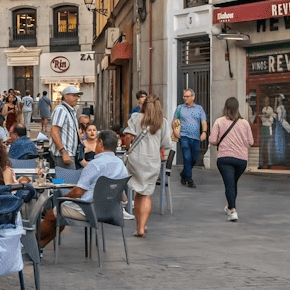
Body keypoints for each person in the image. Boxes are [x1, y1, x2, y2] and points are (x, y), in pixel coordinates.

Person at [38, 129, 128, 247]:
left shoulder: (95, 165)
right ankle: (39, 246)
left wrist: (65, 197)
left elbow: (78, 192)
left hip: (89, 210)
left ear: (100, 142)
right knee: (59, 214)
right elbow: (123, 197)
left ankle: (33, 241)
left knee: (52, 214)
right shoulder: (121, 165)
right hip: (111, 211)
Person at [124, 95, 170, 238]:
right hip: (152, 161)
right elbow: (166, 143)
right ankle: (142, 227)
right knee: (146, 194)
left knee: (138, 193)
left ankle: (139, 226)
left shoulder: (136, 118)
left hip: (136, 159)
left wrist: (127, 148)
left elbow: (127, 136)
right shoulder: (162, 122)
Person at [210, 96, 255, 222]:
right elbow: (251, 142)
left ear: (226, 107)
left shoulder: (219, 122)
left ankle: (233, 210)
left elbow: (212, 140)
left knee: (229, 185)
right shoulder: (245, 123)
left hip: (225, 158)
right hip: (241, 160)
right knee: (232, 183)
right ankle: (230, 206)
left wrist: (223, 141)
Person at [173, 89, 209, 188]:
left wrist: (204, 132)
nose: (185, 98)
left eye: (187, 96)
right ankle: (189, 180)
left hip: (195, 138)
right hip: (184, 136)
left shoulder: (199, 108)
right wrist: (175, 131)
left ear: (193, 97)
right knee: (187, 157)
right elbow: (175, 120)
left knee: (194, 159)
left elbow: (204, 122)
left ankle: (183, 174)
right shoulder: (180, 108)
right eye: (184, 96)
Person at [49, 84, 83, 169]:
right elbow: (54, 132)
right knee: (68, 181)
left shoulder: (70, 111)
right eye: (74, 95)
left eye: (77, 95)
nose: (77, 98)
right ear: (66, 97)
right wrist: (63, 152)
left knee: (68, 180)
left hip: (69, 153)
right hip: (63, 155)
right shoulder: (61, 110)